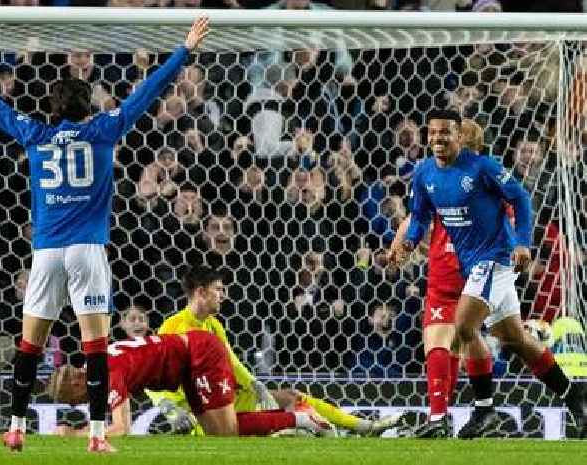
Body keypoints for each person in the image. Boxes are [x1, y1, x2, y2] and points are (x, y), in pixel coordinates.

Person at [0, 16, 210, 453]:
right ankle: (96, 435)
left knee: (29, 345)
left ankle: (15, 427)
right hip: (88, 250)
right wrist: (184, 49)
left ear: (51, 109)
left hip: (47, 252)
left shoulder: (35, 134)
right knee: (95, 346)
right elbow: (146, 95)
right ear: (86, 106)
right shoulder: (104, 129)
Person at [390, 109, 586, 439]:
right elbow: (420, 215)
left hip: (496, 259)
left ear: (462, 140)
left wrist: (523, 243)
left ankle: (484, 410)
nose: (440, 140)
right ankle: (574, 394)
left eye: (449, 134)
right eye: (434, 134)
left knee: (464, 325)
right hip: (473, 267)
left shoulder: (483, 169)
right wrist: (409, 242)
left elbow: (521, 199)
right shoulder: (426, 172)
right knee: (514, 337)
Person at [152, 265, 401, 436]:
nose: (224, 295)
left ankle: (363, 426)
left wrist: (254, 384)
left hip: (227, 398)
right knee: (283, 428)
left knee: (291, 397)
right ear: (200, 292)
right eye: (218, 289)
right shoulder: (173, 328)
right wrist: (168, 407)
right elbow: (151, 373)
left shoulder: (213, 325)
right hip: (200, 412)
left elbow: (233, 362)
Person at [48, 331, 334, 438]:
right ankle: (298, 420)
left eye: (71, 398)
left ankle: (301, 419)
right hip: (187, 365)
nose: (76, 404)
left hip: (199, 353)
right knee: (220, 433)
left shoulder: (107, 373)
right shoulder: (98, 365)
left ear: (76, 380)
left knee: (227, 431)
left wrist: (75, 435)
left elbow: (121, 428)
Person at [388, 118, 484, 437]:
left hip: (447, 266)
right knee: (463, 340)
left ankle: (439, 417)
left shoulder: (443, 176)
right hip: (479, 272)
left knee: (437, 340)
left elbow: (419, 215)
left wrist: (399, 245)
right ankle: (481, 409)